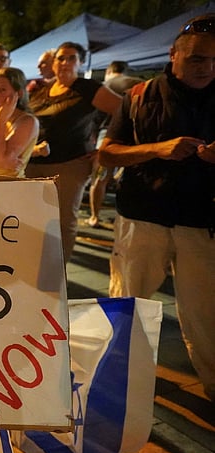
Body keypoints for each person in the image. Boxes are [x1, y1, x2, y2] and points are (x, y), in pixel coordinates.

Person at [99, 13, 215, 400]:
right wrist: (158, 150)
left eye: (214, 60)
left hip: (202, 221)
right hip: (143, 215)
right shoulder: (139, 95)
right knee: (130, 302)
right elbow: (107, 153)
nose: (207, 68)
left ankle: (212, 386)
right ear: (174, 55)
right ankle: (123, 381)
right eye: (198, 58)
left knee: (205, 316)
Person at [26, 41, 122, 263]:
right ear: (54, 61)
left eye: (72, 58)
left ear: (80, 62)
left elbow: (124, 111)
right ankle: (34, 271)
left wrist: (104, 147)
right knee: (35, 222)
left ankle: (56, 278)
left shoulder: (88, 88)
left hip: (69, 166)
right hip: (34, 165)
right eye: (61, 57)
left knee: (62, 223)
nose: (65, 63)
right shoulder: (42, 90)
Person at [87, 61, 144, 228]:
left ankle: (94, 216)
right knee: (129, 176)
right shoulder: (138, 83)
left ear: (109, 70)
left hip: (107, 135)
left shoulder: (104, 85)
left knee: (99, 177)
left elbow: (94, 117)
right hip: (133, 137)